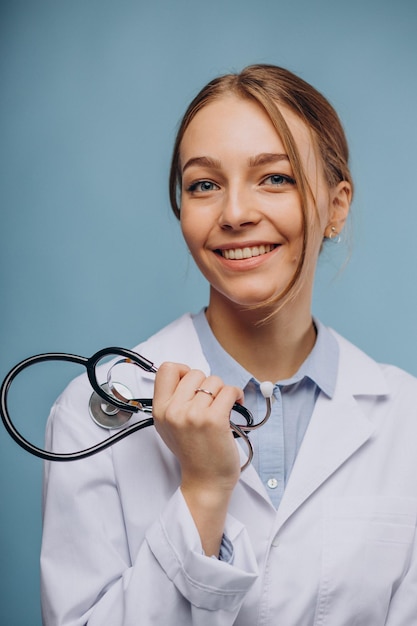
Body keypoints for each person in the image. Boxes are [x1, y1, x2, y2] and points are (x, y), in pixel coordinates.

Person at [40, 64, 417, 625]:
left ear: (336, 207)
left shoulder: (405, 419)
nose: (235, 213)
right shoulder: (97, 409)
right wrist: (205, 490)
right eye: (204, 185)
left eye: (275, 178)